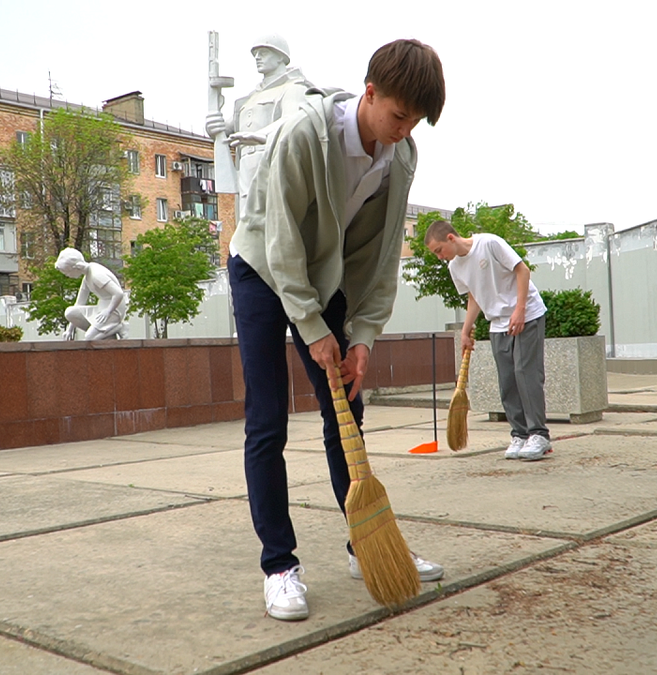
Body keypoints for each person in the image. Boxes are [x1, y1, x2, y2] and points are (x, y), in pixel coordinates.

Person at [227, 39, 446, 621]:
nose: (404, 130)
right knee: (268, 418)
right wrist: (311, 324)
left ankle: (365, 545)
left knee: (345, 408)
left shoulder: (401, 155)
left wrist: (363, 337)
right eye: (398, 115)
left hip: (322, 277)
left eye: (416, 121)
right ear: (369, 92)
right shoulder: (305, 132)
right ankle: (280, 566)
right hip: (260, 268)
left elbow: (379, 257)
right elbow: (280, 239)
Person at [425, 220, 551, 462]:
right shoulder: (455, 267)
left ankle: (539, 434)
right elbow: (474, 296)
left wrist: (520, 309)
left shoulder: (489, 243)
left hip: (527, 314)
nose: (440, 257)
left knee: (525, 372)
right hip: (497, 323)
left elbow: (522, 270)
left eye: (439, 250)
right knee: (507, 380)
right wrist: (465, 329)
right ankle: (520, 434)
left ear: (451, 238)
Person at [205, 35, 312, 218]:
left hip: (274, 162)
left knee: (274, 222)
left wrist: (260, 135)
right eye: (255, 54)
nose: (257, 58)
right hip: (246, 168)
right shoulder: (250, 98)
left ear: (280, 56)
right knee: (248, 224)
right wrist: (213, 126)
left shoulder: (294, 88)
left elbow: (293, 119)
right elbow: (226, 130)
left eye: (263, 52)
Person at [54, 248, 128, 340]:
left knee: (89, 338)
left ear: (76, 267)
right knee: (70, 312)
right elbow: (79, 304)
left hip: (114, 310)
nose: (66, 275)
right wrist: (69, 330)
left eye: (66, 272)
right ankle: (106, 332)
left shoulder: (96, 275)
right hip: (101, 308)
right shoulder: (87, 276)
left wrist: (108, 311)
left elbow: (119, 293)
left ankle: (118, 327)